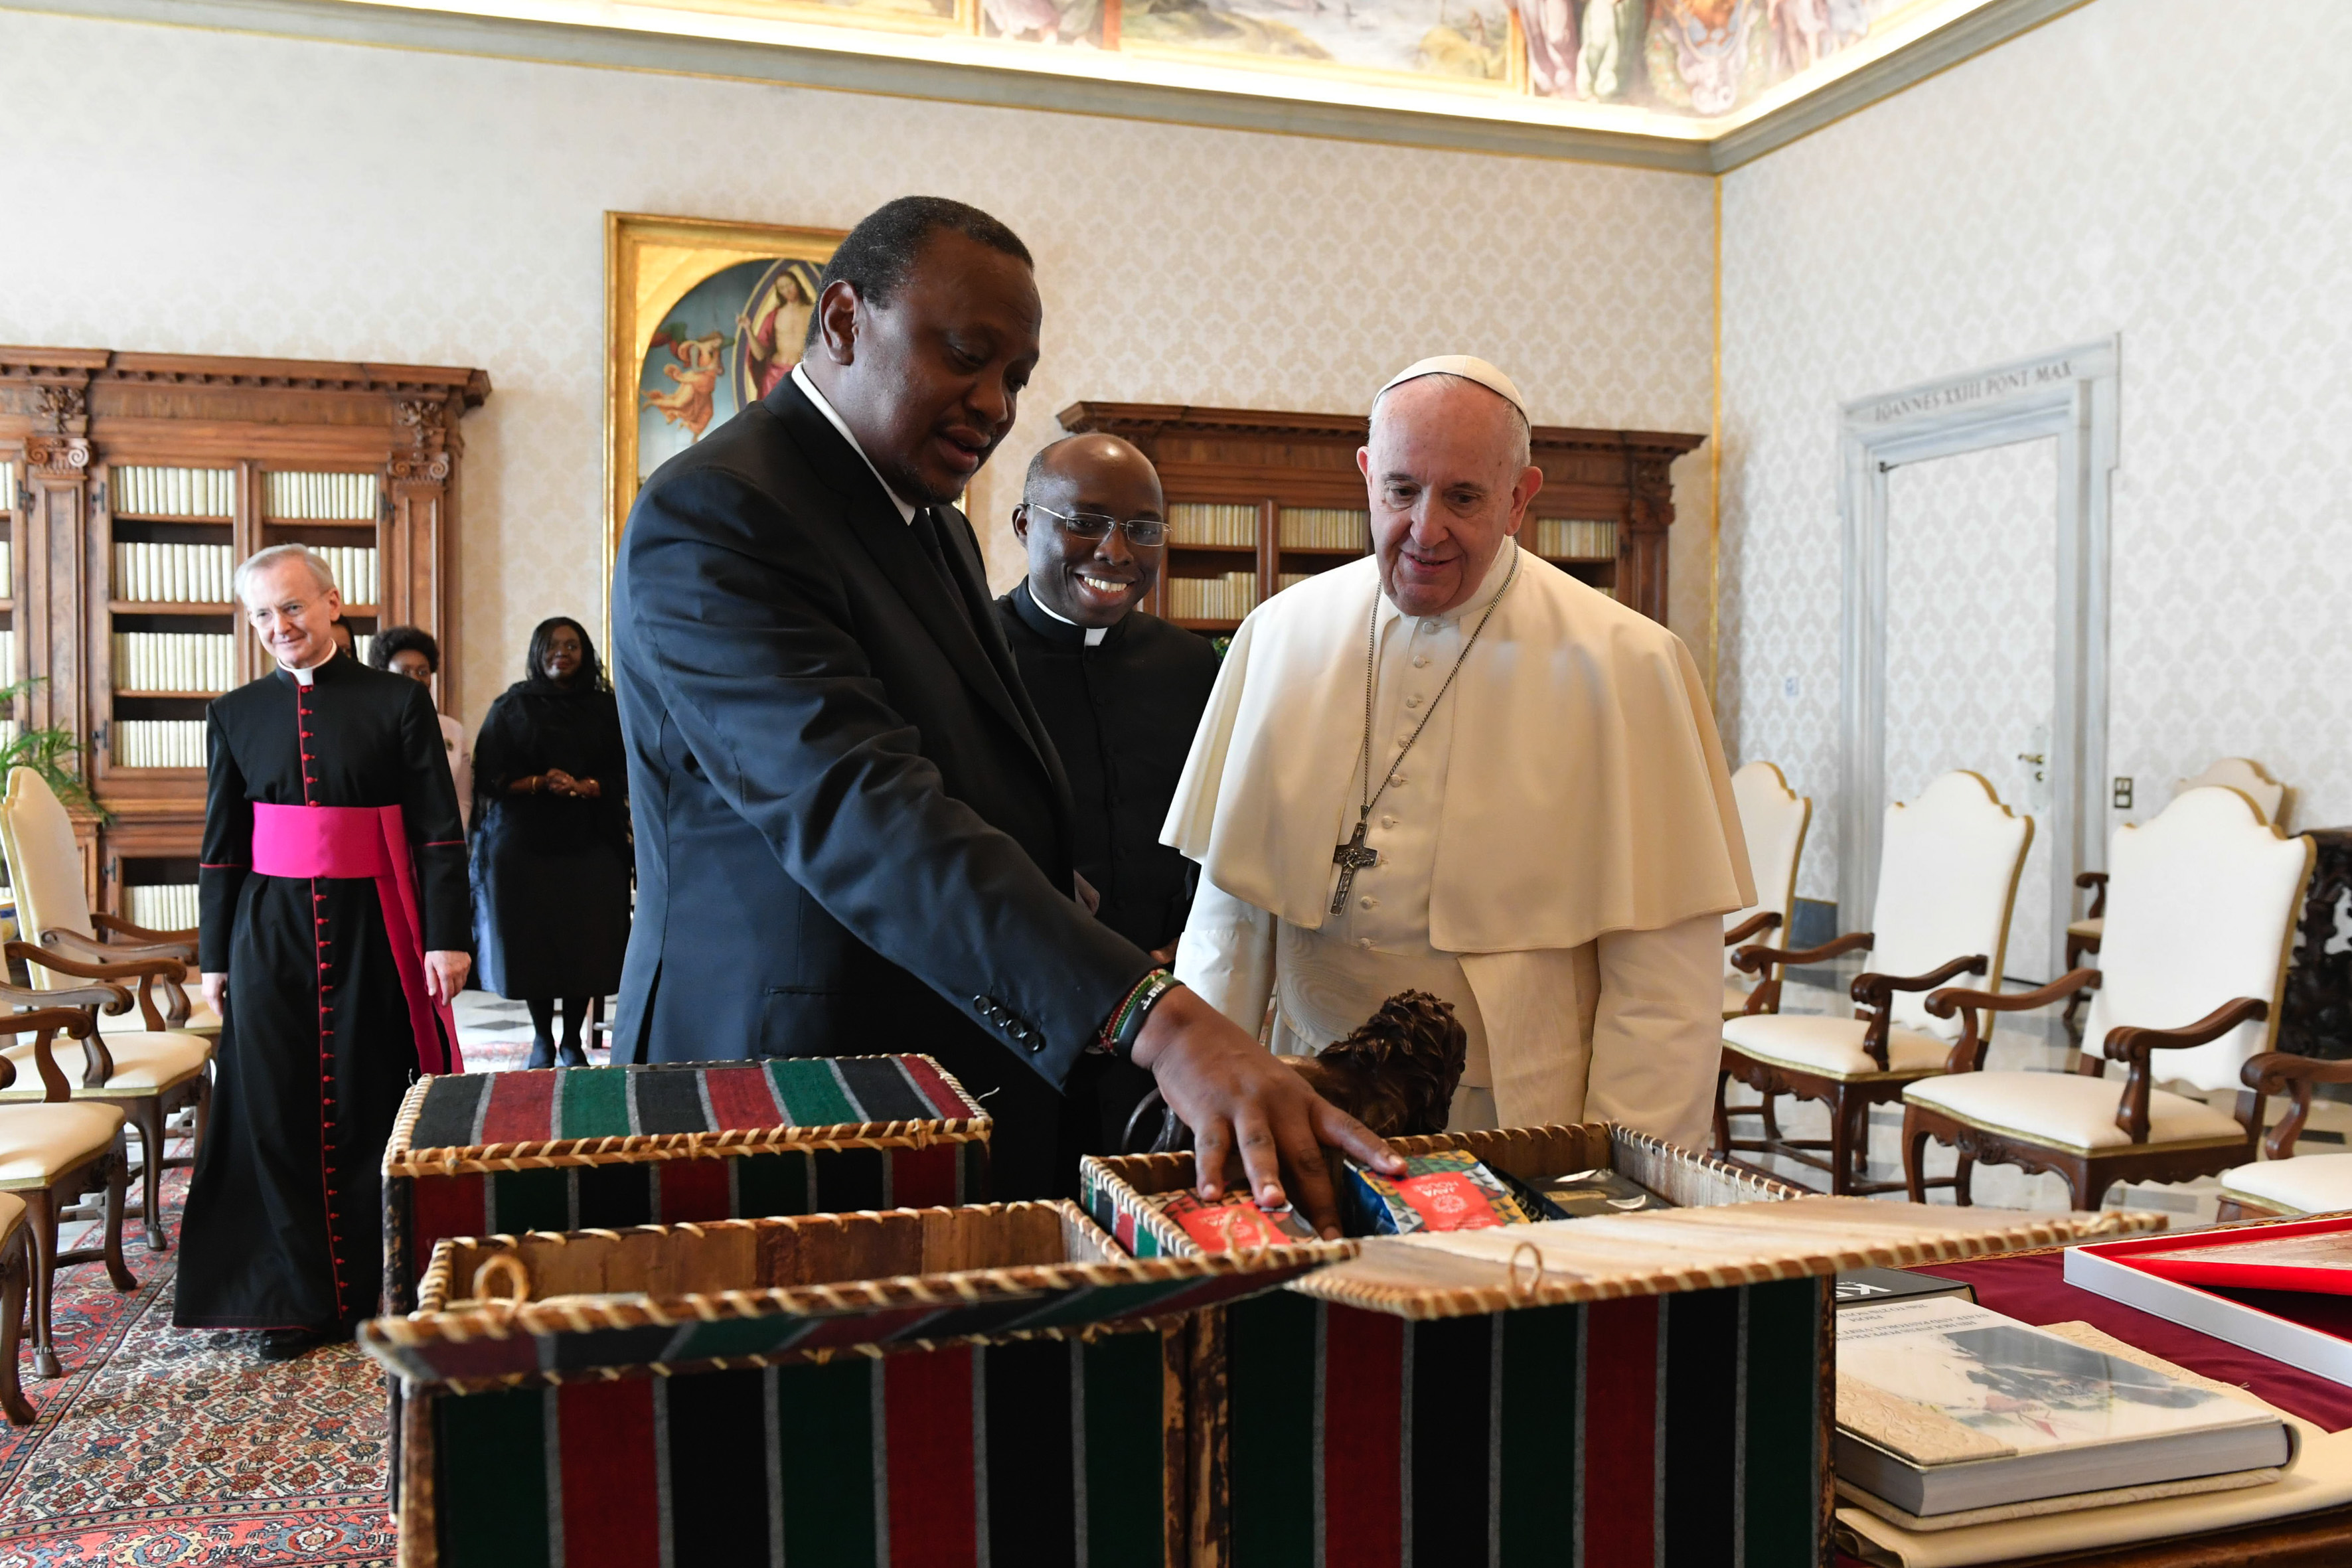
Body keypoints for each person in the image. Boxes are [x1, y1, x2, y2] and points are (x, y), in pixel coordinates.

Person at [612, 195, 1395, 1219]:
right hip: (782, 1082)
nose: (993, 404)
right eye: (964, 356)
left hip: (950, 1060)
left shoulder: (928, 523)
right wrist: (1156, 1018)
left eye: (1015, 377)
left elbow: (962, 762)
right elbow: (858, 806)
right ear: (842, 321)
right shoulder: (719, 512)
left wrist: (1048, 884)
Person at [1165, 356, 1753, 1153]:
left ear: (1519, 499)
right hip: (1304, 1093)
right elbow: (1229, 923)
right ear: (1367, 475)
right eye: (1402, 490)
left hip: (1520, 1115)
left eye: (1464, 497)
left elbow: (1665, 987)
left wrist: (1619, 1177)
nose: (1425, 529)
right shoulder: (1280, 634)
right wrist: (1203, 1109)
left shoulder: (1628, 664)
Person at [179, 545, 469, 1360]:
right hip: (269, 933)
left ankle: (379, 1280)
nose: (280, 626)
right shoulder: (234, 713)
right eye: (262, 615)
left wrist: (447, 938)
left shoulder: (397, 701)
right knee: (273, 1110)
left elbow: (438, 832)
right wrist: (214, 957)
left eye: (293, 606)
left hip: (374, 925)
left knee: (368, 1100)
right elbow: (221, 850)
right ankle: (298, 1297)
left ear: (333, 603)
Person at [996, 434, 1219, 1145]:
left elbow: (1220, 828)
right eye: (1084, 522)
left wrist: (1190, 941)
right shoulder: (972, 657)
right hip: (1019, 1020)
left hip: (1165, 1024)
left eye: (1143, 530)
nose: (1116, 552)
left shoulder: (1192, 665)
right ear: (1025, 524)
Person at [469, 617, 632, 1067]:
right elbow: (490, 776)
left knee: (586, 945)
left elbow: (630, 768)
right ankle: (543, 1039)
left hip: (593, 845)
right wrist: (542, 782)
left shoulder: (608, 707)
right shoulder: (512, 707)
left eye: (572, 645)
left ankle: (572, 1042)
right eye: (552, 645)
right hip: (525, 848)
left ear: (586, 653)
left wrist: (588, 786)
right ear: (536, 652)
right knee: (533, 945)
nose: (562, 652)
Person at [370, 625, 472, 829]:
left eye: (422, 672)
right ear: (385, 675)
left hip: (439, 838)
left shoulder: (452, 729)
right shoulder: (370, 728)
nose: (415, 679)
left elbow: (462, 801)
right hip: (385, 836)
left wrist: (450, 837)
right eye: (405, 671)